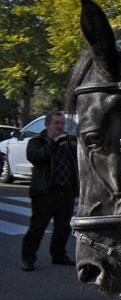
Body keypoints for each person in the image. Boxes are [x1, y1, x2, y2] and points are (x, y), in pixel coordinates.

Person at [21, 110, 78, 271]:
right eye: (56, 123)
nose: (60, 127)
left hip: (66, 190)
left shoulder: (68, 142)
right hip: (45, 191)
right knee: (38, 226)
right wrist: (54, 144)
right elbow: (35, 158)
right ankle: (28, 258)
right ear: (47, 125)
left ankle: (59, 255)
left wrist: (76, 147)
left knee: (63, 226)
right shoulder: (37, 141)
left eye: (62, 123)